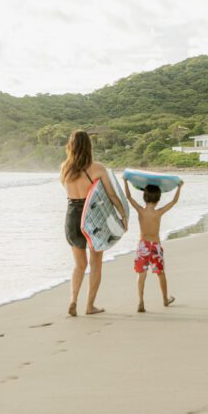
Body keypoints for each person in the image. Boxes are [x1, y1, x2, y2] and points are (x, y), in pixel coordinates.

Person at [60, 130, 126, 317]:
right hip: (92, 217)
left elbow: (66, 190)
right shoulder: (97, 168)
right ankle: (90, 306)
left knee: (79, 265)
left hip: (72, 216)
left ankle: (73, 301)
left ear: (71, 146)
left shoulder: (64, 167)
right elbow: (112, 195)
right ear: (89, 145)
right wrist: (122, 215)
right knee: (96, 263)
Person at [124, 181, 182, 313]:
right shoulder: (159, 212)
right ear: (158, 199)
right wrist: (179, 187)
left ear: (144, 197)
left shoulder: (140, 210)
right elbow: (174, 201)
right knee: (160, 273)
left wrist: (125, 181)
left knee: (141, 274)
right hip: (155, 247)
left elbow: (129, 197)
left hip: (143, 245)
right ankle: (165, 299)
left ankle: (140, 301)